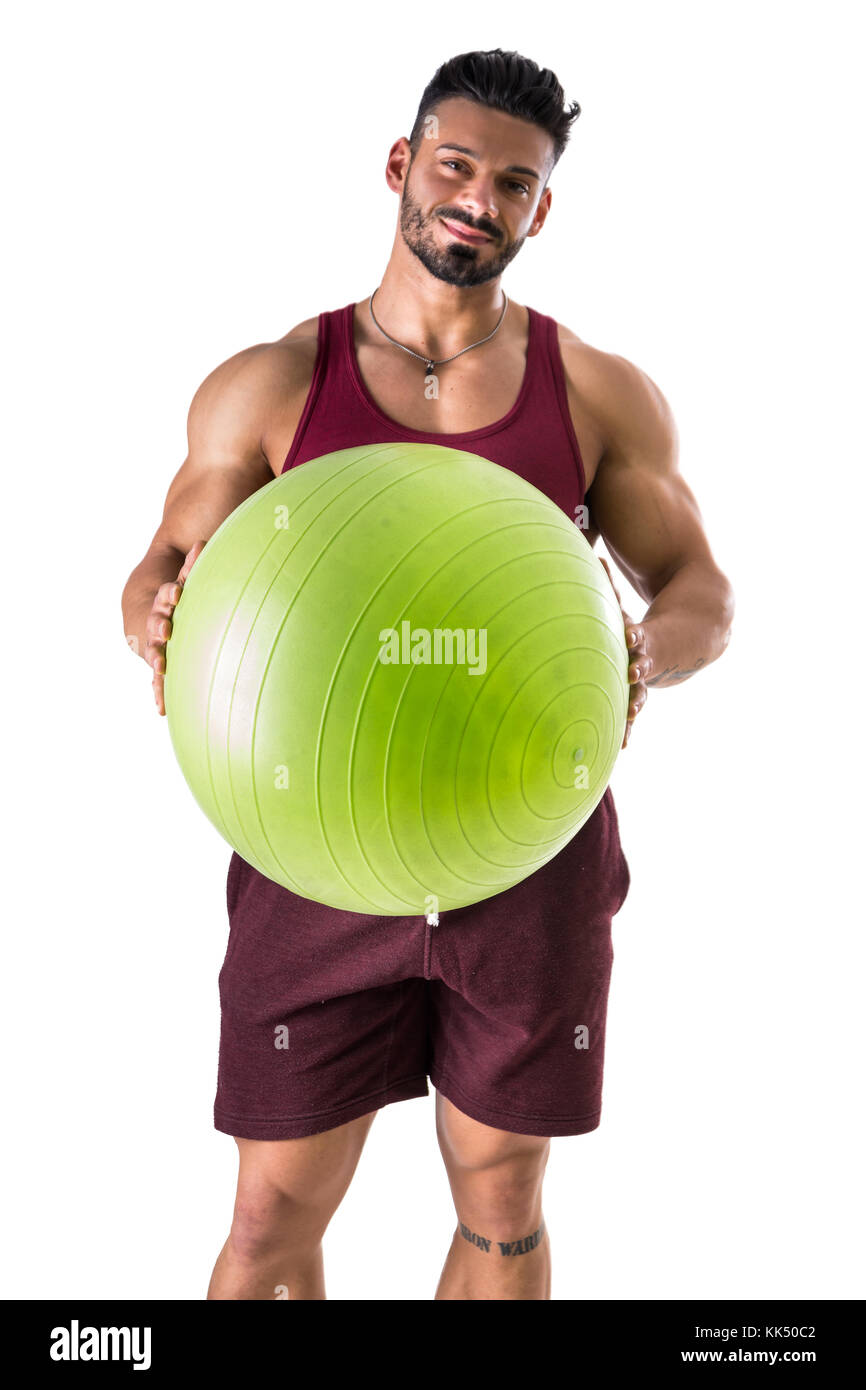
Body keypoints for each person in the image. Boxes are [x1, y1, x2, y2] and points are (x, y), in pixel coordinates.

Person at [121, 48, 734, 1301]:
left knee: (502, 1200)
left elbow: (702, 594)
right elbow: (158, 570)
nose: (478, 198)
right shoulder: (277, 383)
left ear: (538, 209)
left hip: (526, 843)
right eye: (454, 166)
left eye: (513, 183)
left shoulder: (595, 393)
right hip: (315, 845)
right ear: (401, 167)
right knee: (266, 1215)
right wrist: (159, 616)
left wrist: (638, 650)